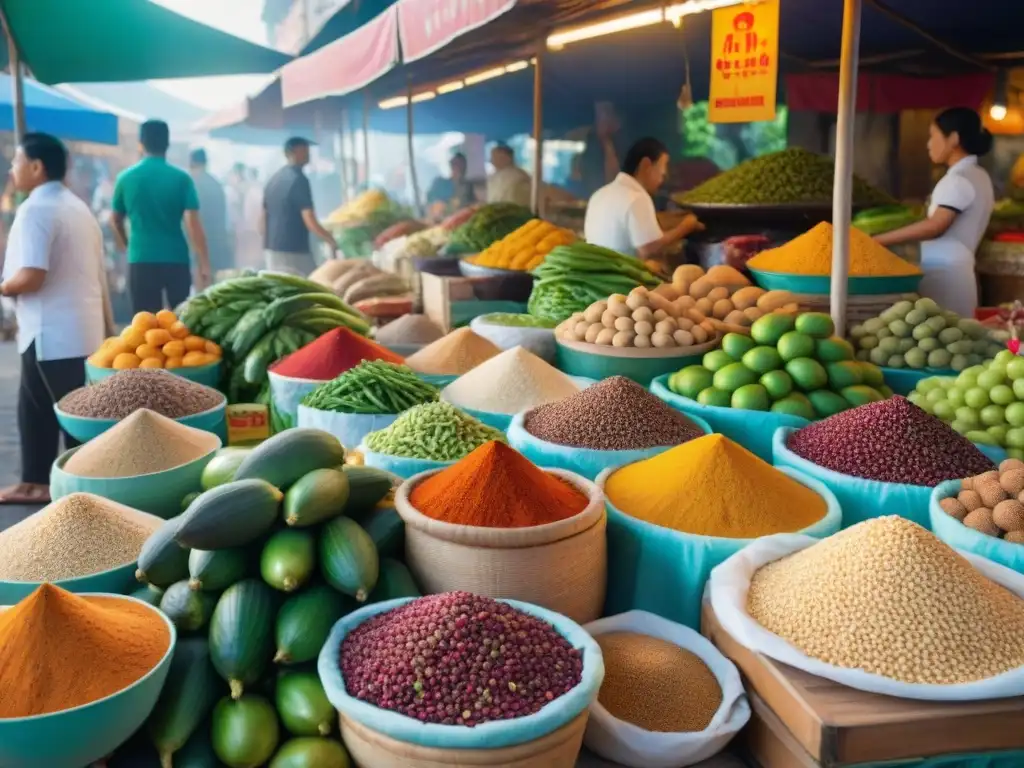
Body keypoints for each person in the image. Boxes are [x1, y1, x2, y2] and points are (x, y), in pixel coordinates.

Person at [0, 133, 113, 504]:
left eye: (17, 162)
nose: (13, 170)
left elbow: (32, 274)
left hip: (53, 332)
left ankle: (84, 493)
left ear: (36, 166)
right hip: (69, 331)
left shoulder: (37, 210)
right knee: (35, 410)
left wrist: (3, 288)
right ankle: (36, 481)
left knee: (73, 420)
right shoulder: (75, 206)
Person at [875, 108, 995, 317]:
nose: (929, 144)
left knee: (946, 339)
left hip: (946, 276)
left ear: (953, 138)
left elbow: (935, 226)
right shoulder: (979, 175)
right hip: (957, 273)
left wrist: (877, 241)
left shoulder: (958, 180)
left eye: (933, 136)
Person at [111, 120, 211, 312]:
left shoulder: (125, 178)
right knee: (179, 321)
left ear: (140, 143)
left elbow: (115, 220)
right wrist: (204, 262)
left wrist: (127, 244)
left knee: (145, 324)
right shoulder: (182, 178)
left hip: (140, 257)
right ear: (167, 144)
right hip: (176, 258)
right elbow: (193, 224)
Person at [583, 137, 691, 259]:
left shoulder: (599, 194)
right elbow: (649, 249)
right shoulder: (637, 197)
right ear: (646, 165)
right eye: (662, 173)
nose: (662, 180)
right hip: (623, 275)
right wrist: (686, 227)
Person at [262, 137, 336, 276]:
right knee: (309, 287)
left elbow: (263, 217)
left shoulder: (274, 179)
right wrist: (329, 239)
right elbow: (309, 219)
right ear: (292, 152)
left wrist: (268, 243)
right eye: (304, 149)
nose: (309, 153)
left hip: (272, 250)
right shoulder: (299, 179)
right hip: (294, 251)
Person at [189, 148, 232, 276]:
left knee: (200, 279)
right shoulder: (216, 184)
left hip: (198, 241)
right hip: (217, 241)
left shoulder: (191, 184)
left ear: (191, 163)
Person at [426, 152, 476, 220]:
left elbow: (472, 205)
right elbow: (433, 207)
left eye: (461, 165)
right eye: (456, 165)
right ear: (451, 166)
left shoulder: (468, 187)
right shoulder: (440, 184)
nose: (459, 168)